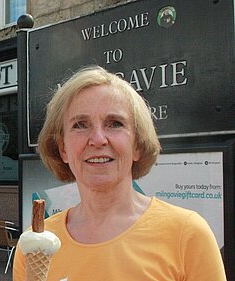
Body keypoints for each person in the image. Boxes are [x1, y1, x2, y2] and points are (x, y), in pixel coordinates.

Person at [13, 66, 226, 280]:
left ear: (137, 145)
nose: (98, 139)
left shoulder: (187, 235)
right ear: (63, 149)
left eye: (115, 124)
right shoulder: (35, 243)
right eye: (80, 125)